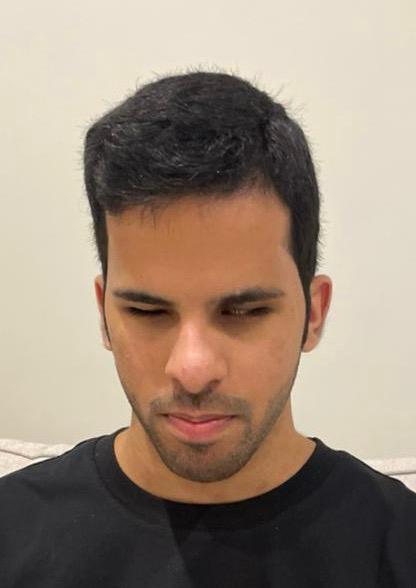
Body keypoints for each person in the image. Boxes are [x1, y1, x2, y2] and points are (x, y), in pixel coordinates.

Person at [0, 70, 415, 587]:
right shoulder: (12, 533)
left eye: (242, 312)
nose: (192, 370)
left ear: (313, 313)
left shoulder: (400, 544)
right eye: (148, 313)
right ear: (104, 312)